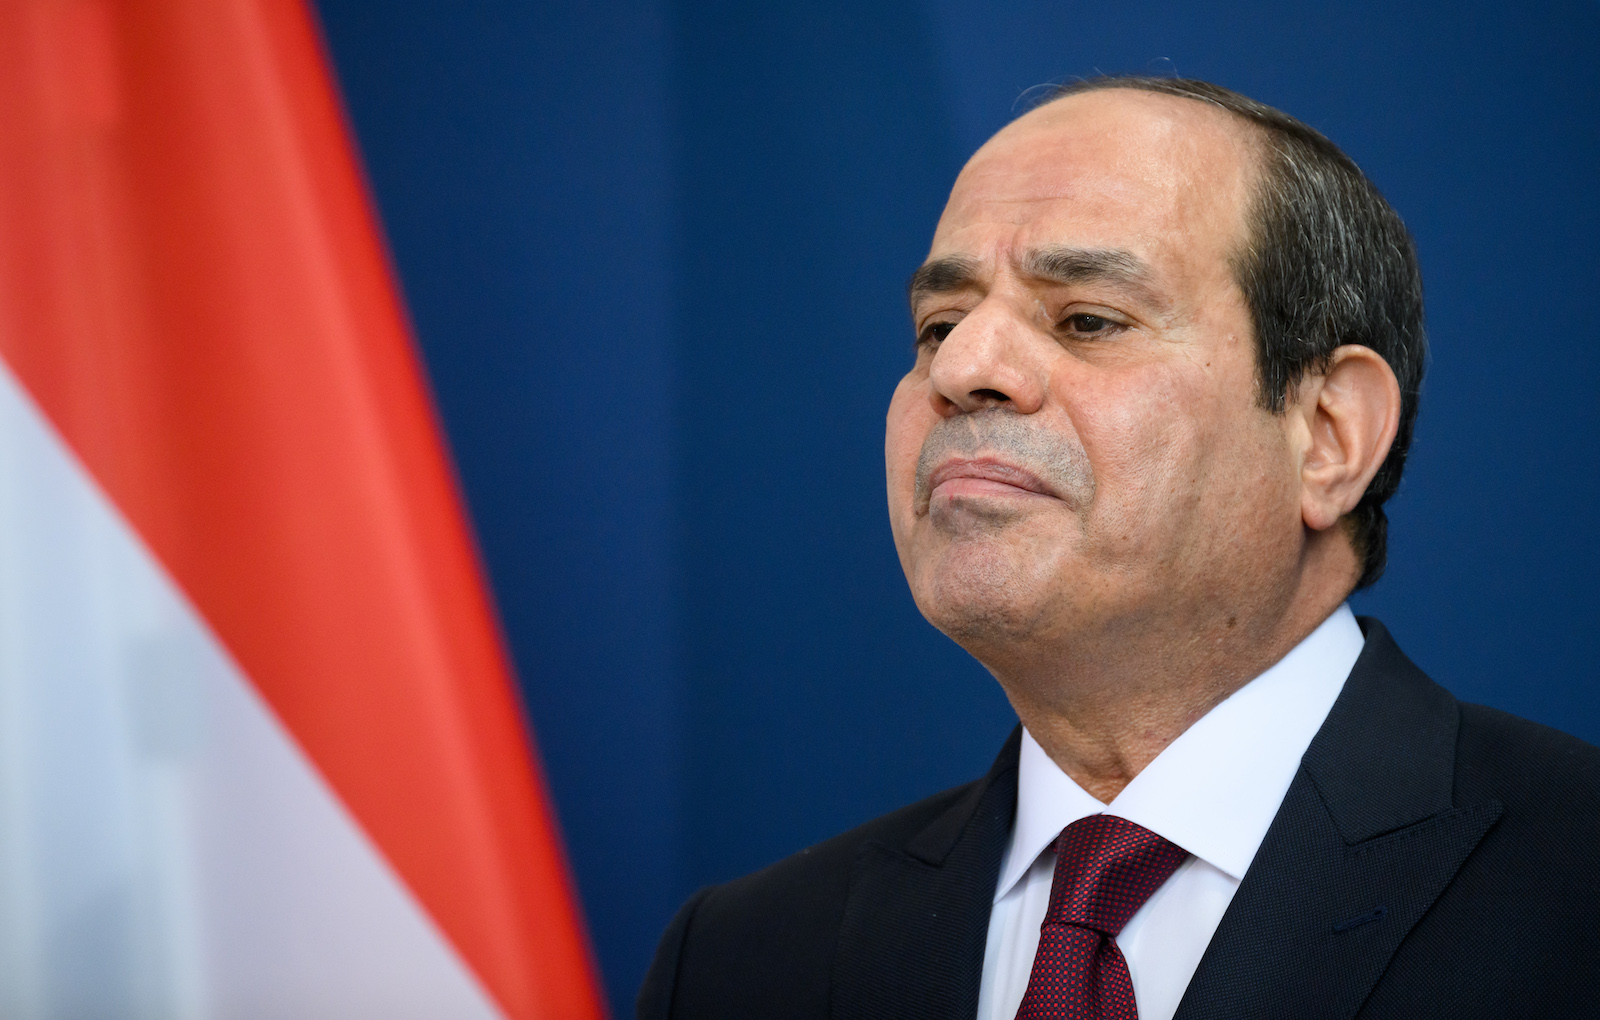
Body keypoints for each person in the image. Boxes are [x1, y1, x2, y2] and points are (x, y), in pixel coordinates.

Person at [636, 77, 1600, 1020]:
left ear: (1329, 434)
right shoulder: (740, 958)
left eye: (1088, 319)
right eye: (938, 325)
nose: (964, 367)